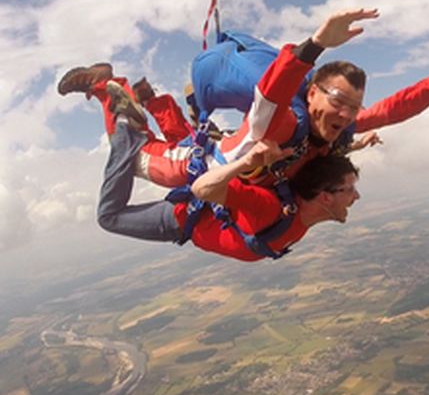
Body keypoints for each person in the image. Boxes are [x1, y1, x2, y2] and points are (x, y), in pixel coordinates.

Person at [58, 8, 429, 189]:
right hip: (204, 167)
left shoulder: (337, 127)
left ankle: (150, 98)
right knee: (137, 158)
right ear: (314, 92)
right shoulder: (287, 118)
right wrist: (315, 44)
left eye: (352, 107)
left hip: (213, 155)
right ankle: (105, 87)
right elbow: (271, 91)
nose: (346, 113)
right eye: (338, 100)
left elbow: (391, 110)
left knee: (186, 135)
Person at [93, 83, 361, 262]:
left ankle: (150, 104)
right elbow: (204, 188)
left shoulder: (296, 199)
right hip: (181, 219)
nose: (356, 197)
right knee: (109, 215)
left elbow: (319, 160)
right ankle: (123, 121)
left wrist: (356, 143)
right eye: (349, 190)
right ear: (325, 196)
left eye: (352, 190)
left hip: (194, 210)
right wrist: (243, 165)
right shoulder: (271, 208)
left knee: (188, 150)